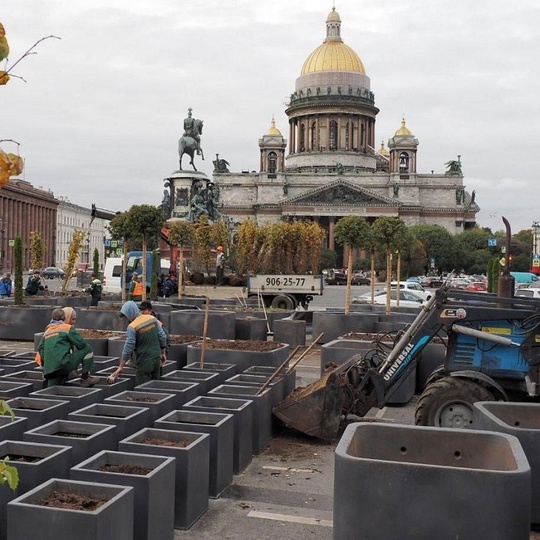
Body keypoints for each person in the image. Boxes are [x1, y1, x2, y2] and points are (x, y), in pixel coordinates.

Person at [35, 307, 99, 387]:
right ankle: (86, 378)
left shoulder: (47, 330)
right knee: (88, 348)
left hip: (49, 370)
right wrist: (82, 362)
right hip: (63, 365)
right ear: (65, 318)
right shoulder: (67, 328)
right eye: (73, 319)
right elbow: (82, 344)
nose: (74, 322)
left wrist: (49, 362)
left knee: (51, 390)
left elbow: (40, 348)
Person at [112, 301, 168, 385]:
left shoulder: (132, 327)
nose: (127, 319)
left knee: (142, 390)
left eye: (126, 316)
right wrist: (163, 353)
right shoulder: (152, 319)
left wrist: (121, 366)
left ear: (130, 313)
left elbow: (128, 347)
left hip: (144, 362)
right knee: (156, 387)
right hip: (156, 359)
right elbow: (163, 337)